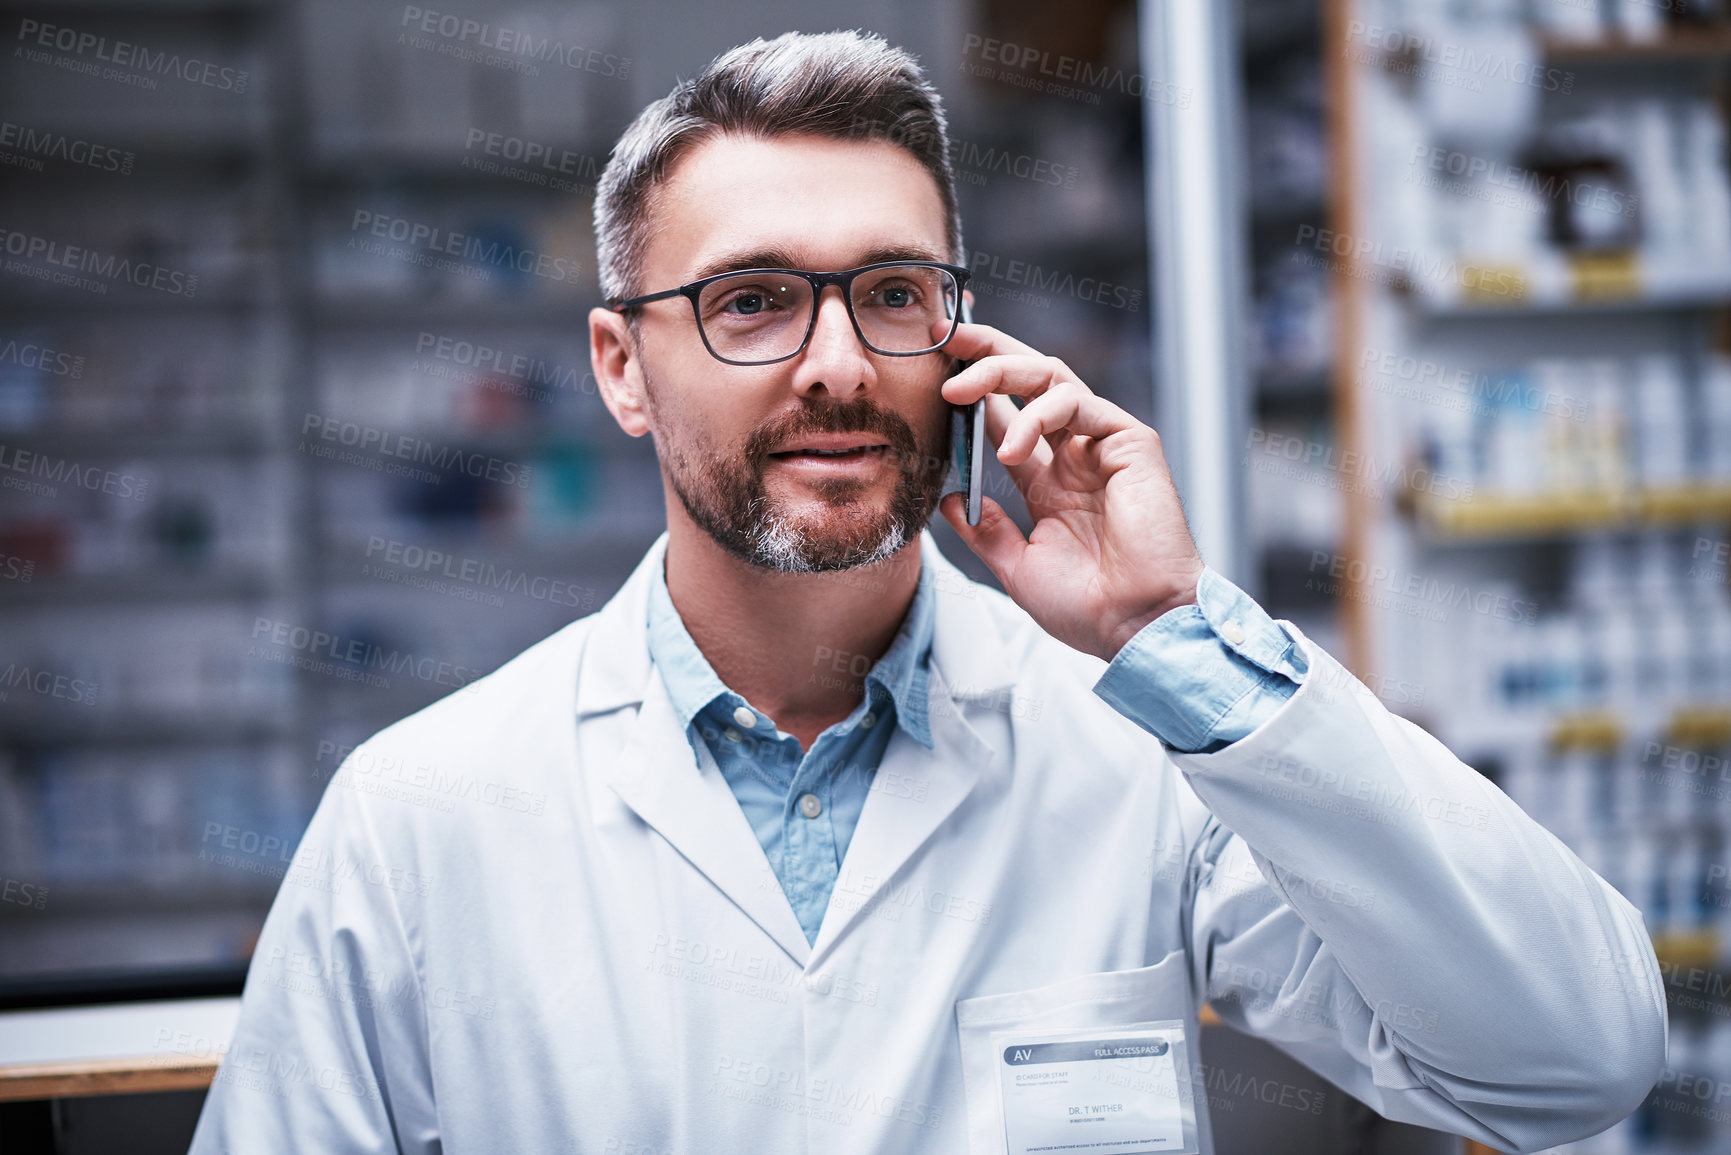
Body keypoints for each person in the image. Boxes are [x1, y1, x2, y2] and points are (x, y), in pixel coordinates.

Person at [189, 29, 1664, 1155]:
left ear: (959, 339)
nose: (839, 361)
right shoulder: (420, 818)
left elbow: (1572, 1059)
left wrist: (1181, 639)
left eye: (892, 291)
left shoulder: (1144, 756)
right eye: (751, 300)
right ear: (623, 367)